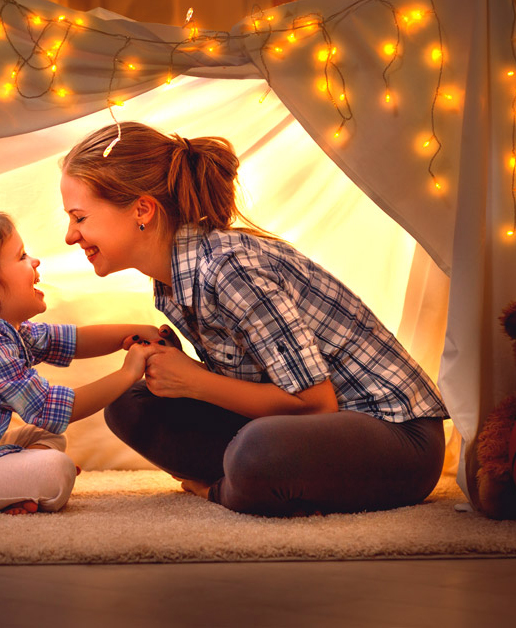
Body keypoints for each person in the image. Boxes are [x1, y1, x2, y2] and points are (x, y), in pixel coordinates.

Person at [59, 122, 448, 516]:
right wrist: (180, 372)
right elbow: (259, 382)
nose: (70, 237)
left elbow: (316, 405)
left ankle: (225, 490)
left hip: (395, 438)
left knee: (258, 451)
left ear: (142, 210)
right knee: (130, 402)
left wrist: (195, 381)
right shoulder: (172, 281)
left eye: (79, 218)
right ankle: (253, 481)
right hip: (306, 431)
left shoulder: (229, 269)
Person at [0, 212, 162, 515]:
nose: (35, 261)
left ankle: (16, 486)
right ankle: (18, 484)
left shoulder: (0, 332)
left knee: (45, 437)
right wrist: (129, 373)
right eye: (22, 256)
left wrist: (134, 332)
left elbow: (72, 340)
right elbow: (50, 409)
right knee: (56, 470)